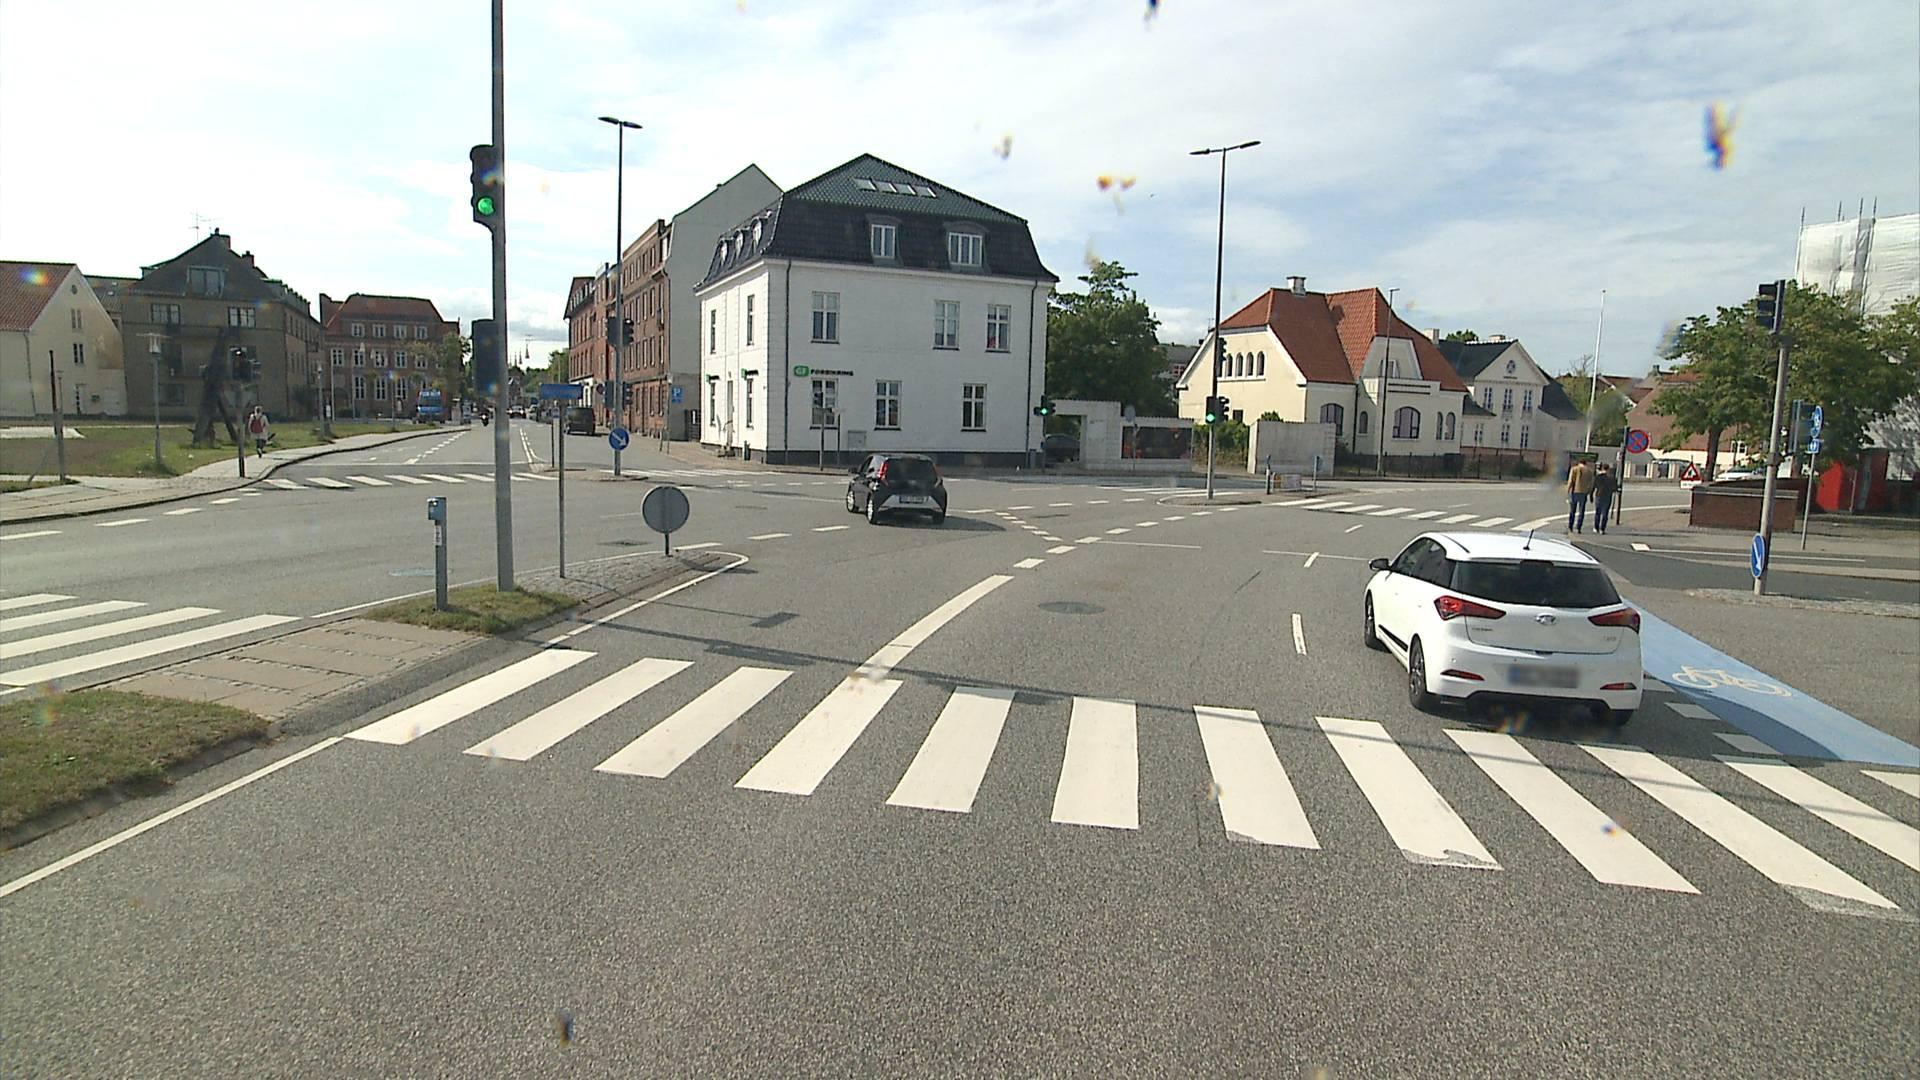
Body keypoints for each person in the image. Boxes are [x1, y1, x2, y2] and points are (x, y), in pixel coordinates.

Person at [1566, 457, 1595, 533]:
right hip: (1584, 492)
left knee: (1572, 510)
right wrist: (1589, 492)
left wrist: (1568, 490)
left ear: (1579, 463)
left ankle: (1570, 526)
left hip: (1574, 491)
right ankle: (1579, 527)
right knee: (1581, 511)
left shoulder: (1574, 469)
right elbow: (1591, 483)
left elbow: (1570, 481)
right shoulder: (1589, 471)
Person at [1592, 463, 1619, 535]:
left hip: (1599, 495)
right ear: (1608, 469)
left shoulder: (1598, 477)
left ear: (1602, 468)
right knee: (1605, 513)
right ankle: (1602, 528)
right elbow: (1615, 488)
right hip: (1607, 496)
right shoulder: (1612, 478)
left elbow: (1594, 486)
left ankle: (1596, 527)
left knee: (1598, 512)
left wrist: (1591, 495)